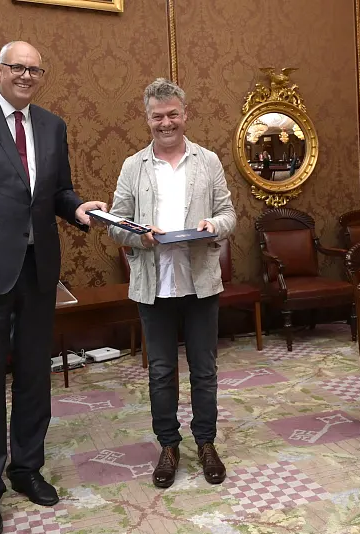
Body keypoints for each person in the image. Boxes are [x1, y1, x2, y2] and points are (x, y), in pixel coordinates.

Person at [0, 41, 107, 534]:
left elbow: (57, 191)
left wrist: (76, 209)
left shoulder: (52, 125)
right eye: (18, 68)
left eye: (35, 69)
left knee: (35, 376)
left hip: (37, 271)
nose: (26, 76)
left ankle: (27, 468)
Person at [108, 78, 236, 489]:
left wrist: (211, 225)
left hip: (200, 284)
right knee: (161, 372)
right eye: (157, 116)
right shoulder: (133, 166)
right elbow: (116, 223)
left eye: (173, 114)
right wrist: (138, 233)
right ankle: (168, 446)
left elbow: (229, 214)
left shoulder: (208, 161)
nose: (166, 123)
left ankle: (205, 443)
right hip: (154, 286)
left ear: (185, 114)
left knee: (205, 370)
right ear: (147, 119)